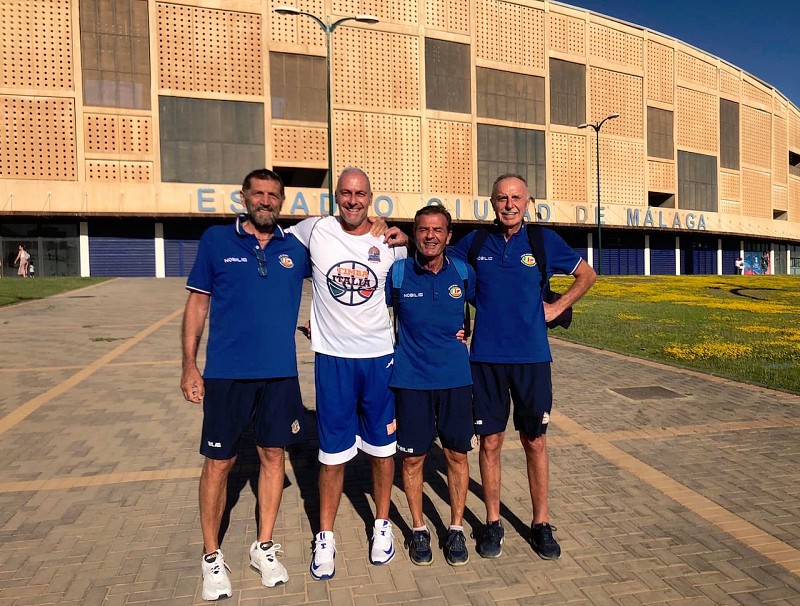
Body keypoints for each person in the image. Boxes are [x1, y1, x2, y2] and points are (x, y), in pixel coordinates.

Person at [449, 174, 596, 560]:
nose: (509, 204)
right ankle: (493, 522)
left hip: (532, 359)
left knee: (535, 441)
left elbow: (587, 274)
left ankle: (541, 523)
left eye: (516, 197)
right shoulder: (475, 242)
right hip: (485, 361)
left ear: (528, 202)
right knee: (491, 443)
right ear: (492, 203)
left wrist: (559, 306)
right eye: (501, 198)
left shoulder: (543, 241)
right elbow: (439, 264)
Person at [180, 168, 310, 601]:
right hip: (226, 373)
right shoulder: (217, 240)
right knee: (220, 463)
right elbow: (198, 304)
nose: (266, 202)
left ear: (282, 201)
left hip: (279, 374)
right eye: (259, 194)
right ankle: (211, 556)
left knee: (274, 454)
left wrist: (388, 232)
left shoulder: (296, 247)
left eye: (274, 196)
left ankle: (264, 546)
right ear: (244, 197)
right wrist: (188, 365)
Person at [288, 167, 407, 580]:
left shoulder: (390, 242)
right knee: (332, 454)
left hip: (379, 358)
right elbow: (271, 252)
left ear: (371, 198)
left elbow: (411, 296)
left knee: (382, 449)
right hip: (333, 360)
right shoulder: (314, 230)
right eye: (345, 193)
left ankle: (381, 524)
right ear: (336, 196)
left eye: (360, 194)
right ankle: (325, 536)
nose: (353, 200)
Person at [386, 205, 476, 566]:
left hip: (455, 379)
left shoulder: (463, 273)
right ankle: (419, 529)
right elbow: (374, 316)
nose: (430, 235)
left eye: (438, 230)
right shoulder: (397, 273)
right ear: (415, 233)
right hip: (410, 380)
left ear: (448, 236)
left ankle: (455, 528)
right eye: (423, 229)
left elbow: (489, 306)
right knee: (412, 458)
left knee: (456, 455)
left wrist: (472, 331)